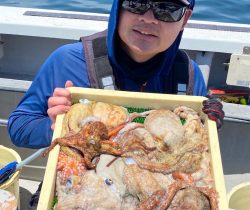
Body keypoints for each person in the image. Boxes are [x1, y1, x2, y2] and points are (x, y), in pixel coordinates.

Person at [8, 0, 225, 149]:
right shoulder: (67, 61)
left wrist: (208, 123)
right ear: (118, 6)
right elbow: (19, 127)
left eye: (167, 8)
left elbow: (196, 143)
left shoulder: (188, 75)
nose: (149, 18)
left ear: (184, 20)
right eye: (137, 3)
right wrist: (58, 126)